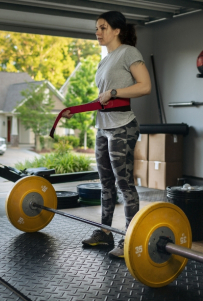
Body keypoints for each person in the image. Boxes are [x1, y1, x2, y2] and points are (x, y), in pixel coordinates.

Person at [62, 11, 151, 258]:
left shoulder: (129, 52)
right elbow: (104, 98)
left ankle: (130, 238)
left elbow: (144, 86)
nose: (98, 32)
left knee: (124, 184)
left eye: (102, 27)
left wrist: (113, 91)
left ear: (116, 30)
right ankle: (104, 232)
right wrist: (76, 110)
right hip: (103, 127)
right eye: (97, 28)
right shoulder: (105, 60)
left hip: (123, 126)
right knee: (105, 184)